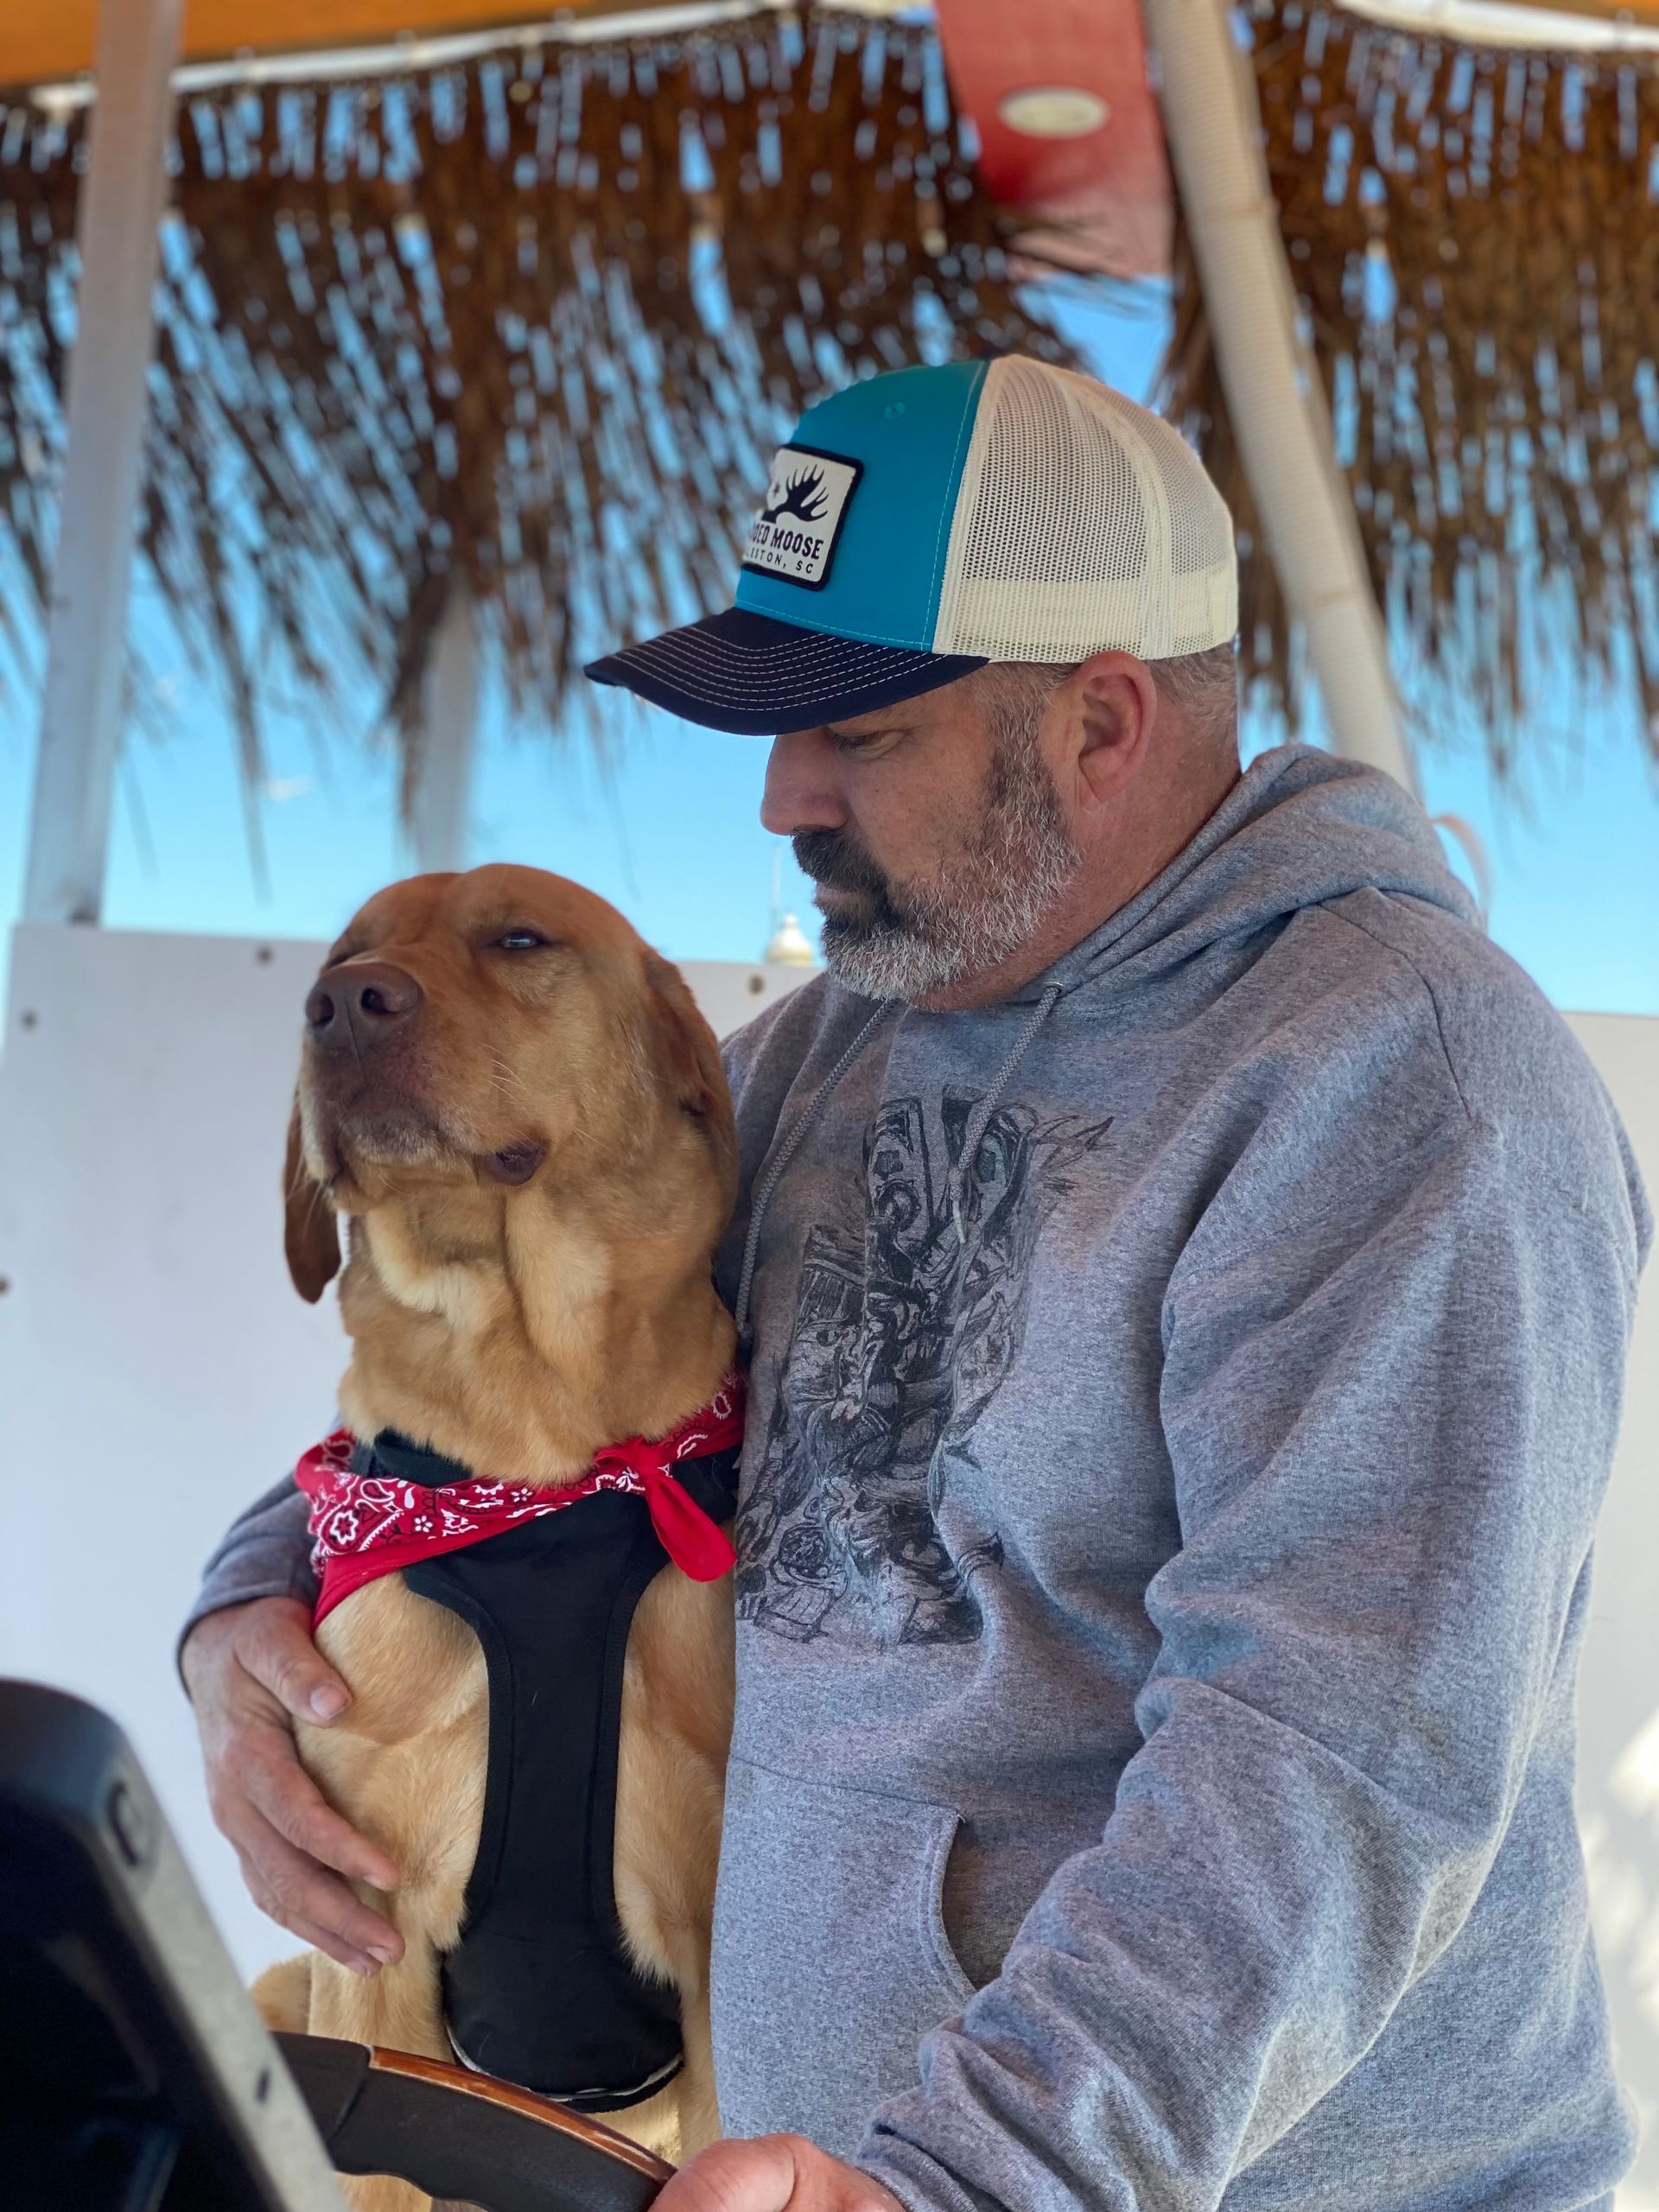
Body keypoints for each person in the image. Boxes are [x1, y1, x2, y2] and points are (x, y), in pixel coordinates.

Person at [181, 357, 1648, 2212]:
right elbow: (545, 1398)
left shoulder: (1403, 1084)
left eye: (858, 727)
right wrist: (253, 1615)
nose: (783, 795)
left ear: (1100, 724)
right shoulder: (837, 1046)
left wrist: (982, 2172)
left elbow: (1336, 1750)